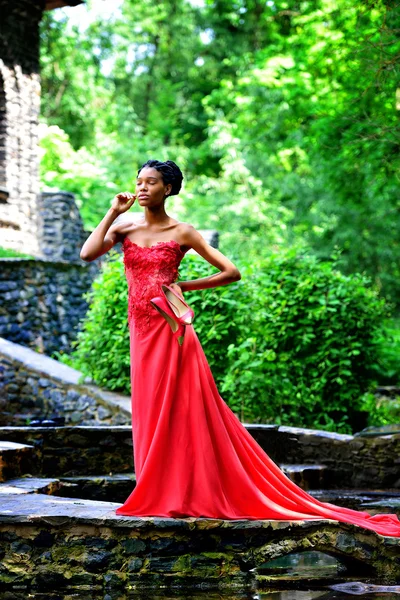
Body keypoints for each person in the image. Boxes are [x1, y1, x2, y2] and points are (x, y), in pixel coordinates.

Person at [80, 159, 400, 537]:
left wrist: (185, 287)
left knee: (183, 414)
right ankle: (155, 489)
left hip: (172, 331)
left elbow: (231, 272)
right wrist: (112, 211)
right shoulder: (124, 226)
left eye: (152, 182)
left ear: (168, 189)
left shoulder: (183, 232)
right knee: (148, 410)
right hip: (141, 332)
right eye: (139, 181)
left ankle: (181, 493)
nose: (143, 187)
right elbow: (88, 253)